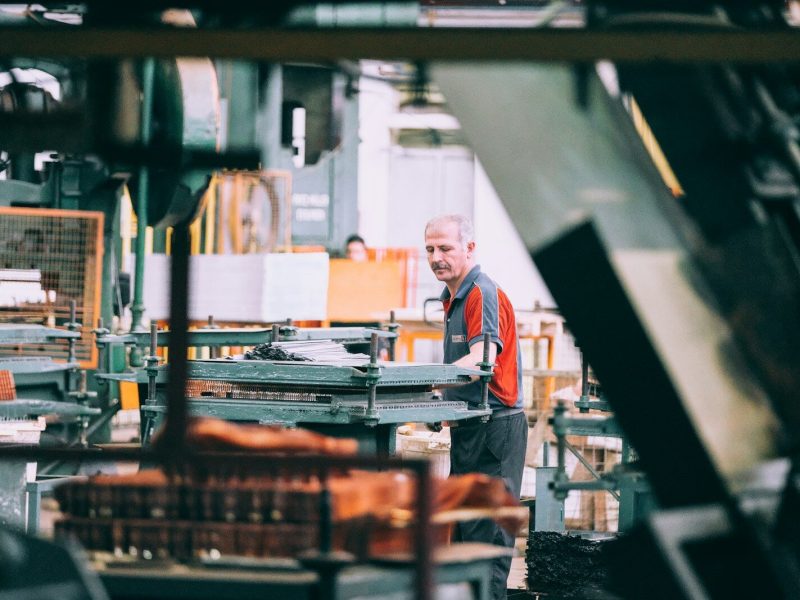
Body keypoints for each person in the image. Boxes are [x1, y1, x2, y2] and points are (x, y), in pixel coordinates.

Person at [424, 214, 528, 600]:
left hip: (496, 430)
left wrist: (423, 383)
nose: (437, 257)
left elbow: (481, 361)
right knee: (465, 536)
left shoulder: (481, 293)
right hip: (470, 428)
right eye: (430, 250)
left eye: (445, 248)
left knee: (488, 544)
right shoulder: (452, 297)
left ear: (469, 248)